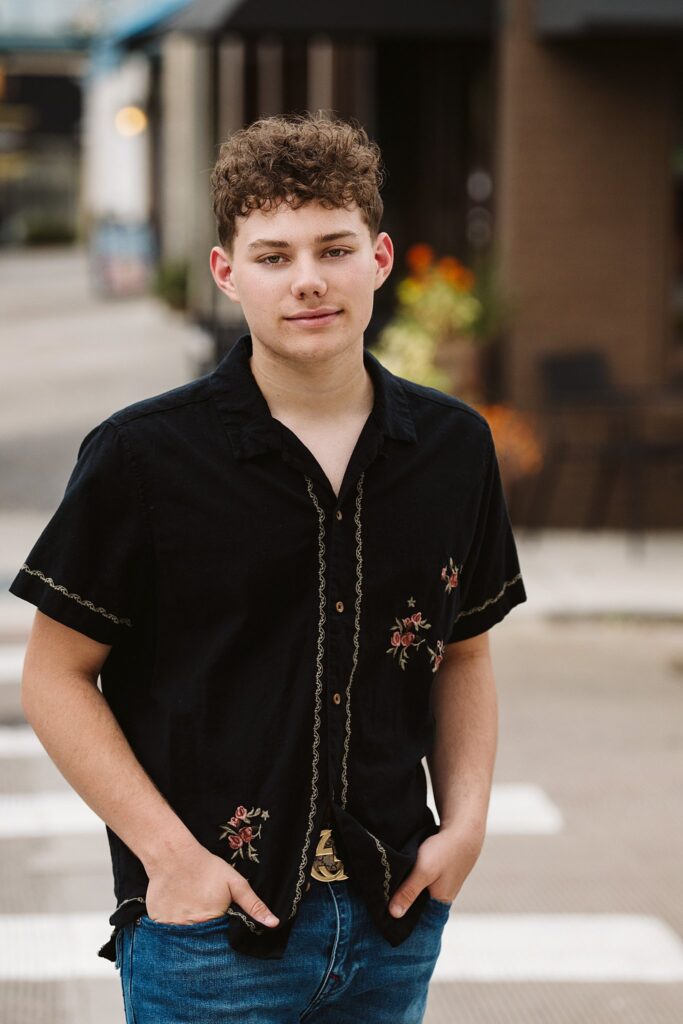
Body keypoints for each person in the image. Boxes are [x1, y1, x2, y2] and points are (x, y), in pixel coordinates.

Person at [9, 112, 527, 1023]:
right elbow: (55, 675)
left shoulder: (454, 449)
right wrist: (170, 861)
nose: (308, 281)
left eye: (333, 249)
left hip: (391, 918)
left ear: (379, 257)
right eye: (274, 255)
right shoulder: (142, 458)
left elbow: (467, 654)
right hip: (206, 934)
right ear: (226, 272)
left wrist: (467, 825)